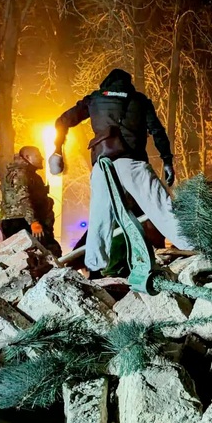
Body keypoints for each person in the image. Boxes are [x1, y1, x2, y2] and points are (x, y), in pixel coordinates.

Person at [51, 68, 194, 274]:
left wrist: (57, 150)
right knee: (163, 208)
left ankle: (93, 266)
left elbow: (62, 121)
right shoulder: (139, 100)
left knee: (100, 219)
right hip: (133, 164)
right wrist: (167, 161)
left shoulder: (94, 99)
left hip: (103, 167)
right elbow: (157, 131)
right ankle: (193, 247)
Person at [0, 146, 62, 257]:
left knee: (49, 251)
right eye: (38, 156)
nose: (42, 158)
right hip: (20, 222)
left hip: (26, 221)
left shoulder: (31, 175)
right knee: (47, 252)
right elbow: (23, 198)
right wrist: (33, 222)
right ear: (28, 157)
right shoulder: (20, 174)